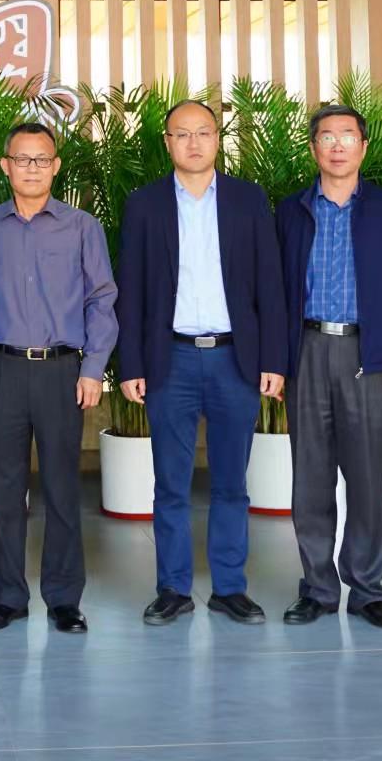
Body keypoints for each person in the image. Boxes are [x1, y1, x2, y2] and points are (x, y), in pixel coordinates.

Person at [117, 101, 290, 627]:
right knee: (170, 483)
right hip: (169, 359)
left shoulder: (248, 199)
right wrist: (130, 365)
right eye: (182, 134)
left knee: (231, 482)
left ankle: (230, 588)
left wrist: (273, 359)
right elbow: (131, 290)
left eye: (203, 132)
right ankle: (172, 588)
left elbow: (270, 284)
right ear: (167, 142)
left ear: (218, 139)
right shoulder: (144, 204)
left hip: (235, 359)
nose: (193, 143)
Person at [274, 103, 382, 629]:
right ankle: (317, 589)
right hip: (307, 350)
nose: (337, 145)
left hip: (369, 354)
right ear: (313, 147)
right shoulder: (292, 210)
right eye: (326, 136)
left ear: (363, 146)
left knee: (366, 477)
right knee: (310, 477)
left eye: (347, 135)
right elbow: (274, 289)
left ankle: (367, 589)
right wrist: (276, 360)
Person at [0, 122, 119, 635]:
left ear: (55, 166)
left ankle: (64, 598)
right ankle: (7, 597)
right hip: (1, 370)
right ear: (5, 166)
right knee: (4, 491)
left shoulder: (82, 227)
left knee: (62, 489)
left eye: (41, 159)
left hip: (62, 373)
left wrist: (93, 369)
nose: (31, 168)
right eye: (22, 159)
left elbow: (102, 300)